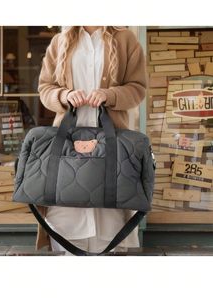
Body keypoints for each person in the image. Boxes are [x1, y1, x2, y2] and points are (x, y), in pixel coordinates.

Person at [36, 26, 147, 255]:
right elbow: (45, 88)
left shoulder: (126, 39)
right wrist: (64, 96)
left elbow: (138, 88)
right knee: (64, 232)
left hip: (111, 149)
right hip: (67, 149)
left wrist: (110, 95)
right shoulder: (60, 41)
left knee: (110, 234)